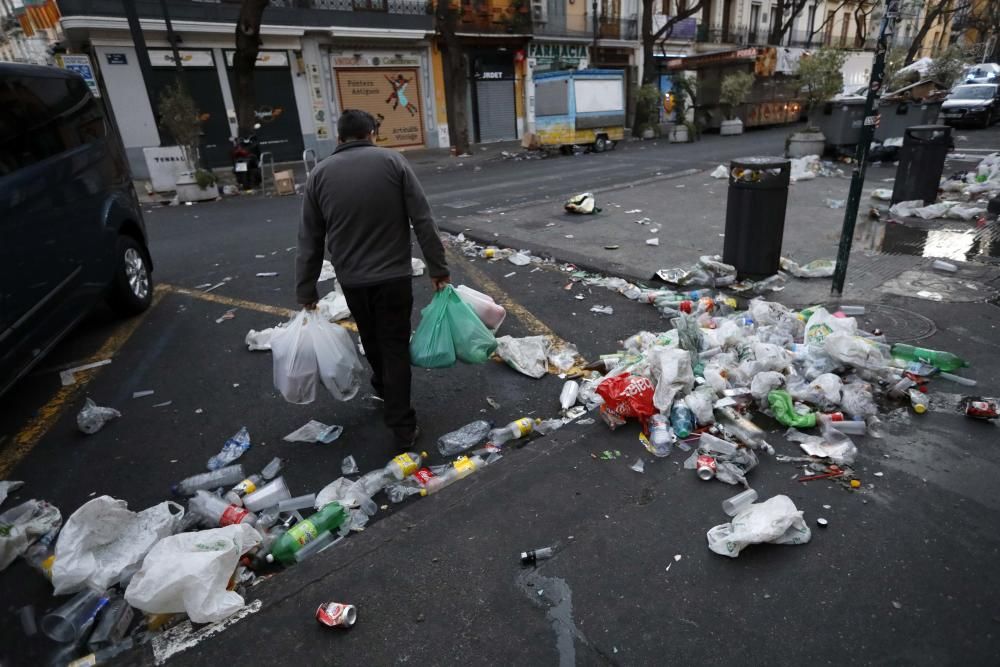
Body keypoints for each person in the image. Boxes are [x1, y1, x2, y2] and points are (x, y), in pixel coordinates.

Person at [296, 109, 449, 450]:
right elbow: (422, 219)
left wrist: (306, 288)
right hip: (393, 277)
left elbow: (310, 238)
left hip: (353, 281)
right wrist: (438, 268)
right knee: (394, 345)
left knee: (372, 340)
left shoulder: (319, 175)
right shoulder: (394, 164)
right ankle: (402, 423)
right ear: (372, 133)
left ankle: (384, 388)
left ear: (339, 138)